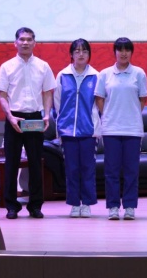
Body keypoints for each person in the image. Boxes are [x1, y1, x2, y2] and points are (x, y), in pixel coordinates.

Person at [0, 27, 56, 219]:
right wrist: (10, 117)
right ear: (15, 43)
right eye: (22, 39)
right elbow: (2, 95)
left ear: (34, 43)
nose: (25, 42)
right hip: (14, 118)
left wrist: (47, 115)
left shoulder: (43, 66)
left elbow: (48, 92)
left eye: (29, 39)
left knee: (36, 163)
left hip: (35, 118)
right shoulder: (7, 67)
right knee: (11, 163)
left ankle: (35, 205)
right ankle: (11, 206)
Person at [95, 38, 147, 220]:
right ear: (115, 52)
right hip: (111, 129)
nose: (123, 53)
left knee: (132, 170)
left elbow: (142, 99)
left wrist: (131, 114)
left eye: (127, 50)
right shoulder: (105, 74)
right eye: (120, 50)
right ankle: (113, 207)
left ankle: (130, 206)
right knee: (112, 171)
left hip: (133, 129)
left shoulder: (139, 73)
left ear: (131, 52)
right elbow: (99, 98)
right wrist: (110, 115)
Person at [54, 39, 99, 218]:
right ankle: (74, 203)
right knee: (71, 169)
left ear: (89, 54)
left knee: (88, 168)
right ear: (71, 54)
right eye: (77, 51)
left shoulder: (96, 76)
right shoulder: (62, 75)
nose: (81, 54)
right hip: (68, 131)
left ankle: (86, 203)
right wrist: (62, 125)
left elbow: (100, 104)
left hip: (89, 130)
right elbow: (57, 103)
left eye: (84, 51)